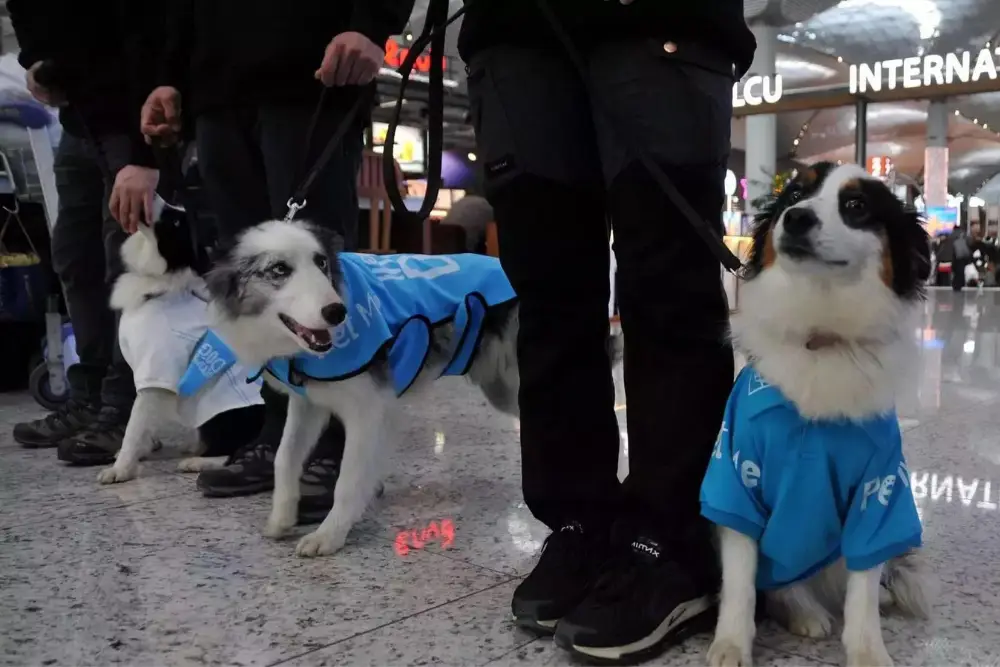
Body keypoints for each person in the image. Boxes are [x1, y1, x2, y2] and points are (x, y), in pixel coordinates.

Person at [460, 0, 755, 661]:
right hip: (515, 31)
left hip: (659, 22)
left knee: (668, 284)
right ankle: (578, 520)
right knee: (549, 294)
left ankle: (672, 541)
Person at [137, 0, 415, 522]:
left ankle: (339, 448)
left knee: (321, 268)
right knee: (256, 285)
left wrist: (370, 21)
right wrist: (170, 75)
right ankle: (278, 431)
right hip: (217, 91)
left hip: (312, 70)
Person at [8, 0, 163, 465]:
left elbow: (151, 30)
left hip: (132, 113)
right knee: (74, 258)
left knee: (126, 266)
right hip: (82, 118)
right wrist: (35, 61)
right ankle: (91, 395)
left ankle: (125, 407)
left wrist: (143, 153)